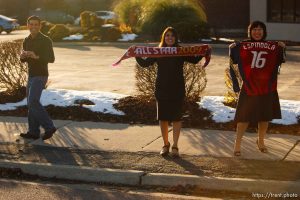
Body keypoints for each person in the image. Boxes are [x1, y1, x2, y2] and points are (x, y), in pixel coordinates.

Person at [135, 27, 204, 157]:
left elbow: (194, 60)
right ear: (163, 38)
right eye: (167, 36)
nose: (170, 38)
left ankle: (175, 146)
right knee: (163, 119)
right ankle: (165, 144)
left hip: (177, 89)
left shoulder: (180, 51)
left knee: (177, 118)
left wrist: (204, 51)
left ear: (175, 38)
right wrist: (136, 54)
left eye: (172, 35)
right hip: (162, 89)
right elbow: (145, 64)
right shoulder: (158, 51)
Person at [229, 21, 285, 156]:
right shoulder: (242, 46)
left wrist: (281, 48)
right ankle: (237, 143)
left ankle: (261, 141)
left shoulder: (272, 46)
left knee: (264, 116)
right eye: (254, 29)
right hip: (249, 86)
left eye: (260, 29)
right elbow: (233, 61)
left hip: (267, 86)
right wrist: (232, 48)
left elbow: (280, 61)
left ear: (264, 32)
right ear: (250, 31)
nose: (257, 32)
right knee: (244, 117)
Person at [19, 15, 56, 140]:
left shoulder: (46, 40)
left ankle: (49, 127)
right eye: (31, 24)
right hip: (31, 75)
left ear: (40, 26)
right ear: (28, 25)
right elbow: (24, 60)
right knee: (31, 103)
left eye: (36, 24)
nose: (33, 27)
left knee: (33, 101)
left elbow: (51, 59)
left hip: (41, 75)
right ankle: (33, 132)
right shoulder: (27, 40)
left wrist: (37, 56)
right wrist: (23, 57)